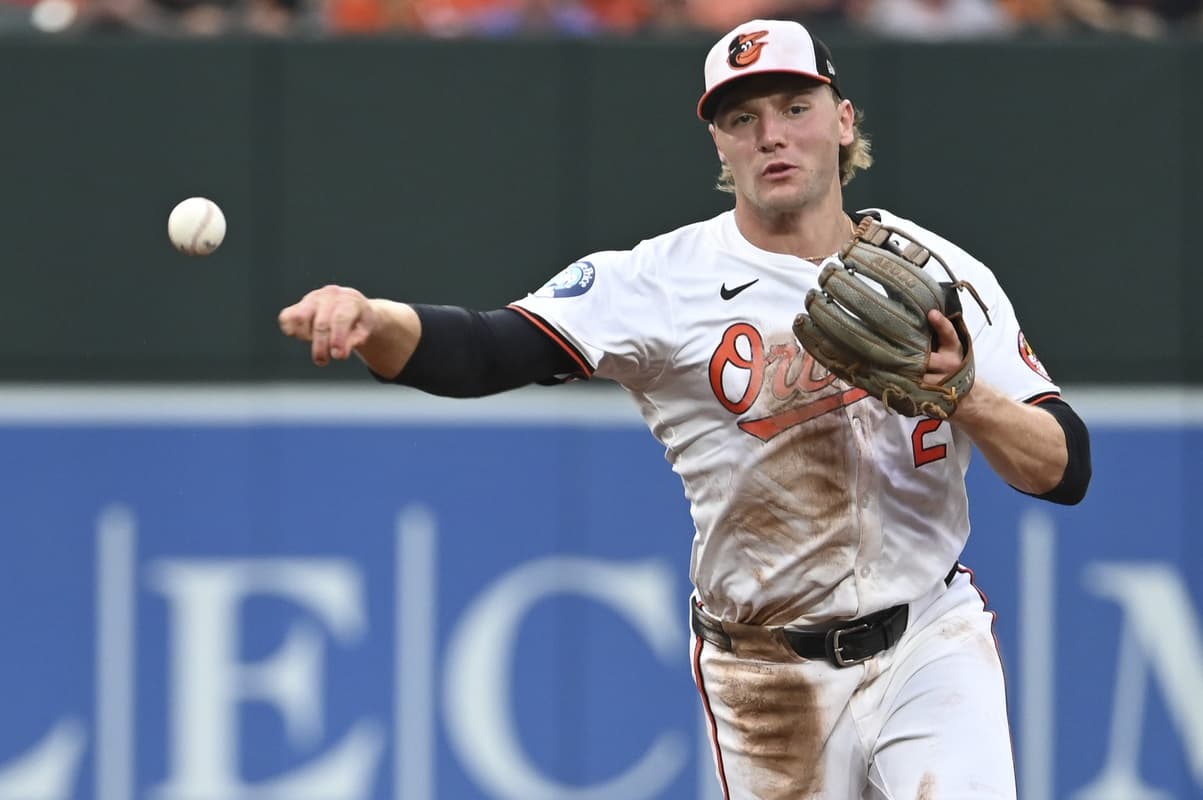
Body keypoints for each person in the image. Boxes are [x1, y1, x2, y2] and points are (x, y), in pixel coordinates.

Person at [278, 18, 1091, 800]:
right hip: (767, 674)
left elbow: (1062, 468)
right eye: (743, 118)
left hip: (928, 637)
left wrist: (963, 396)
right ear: (718, 144)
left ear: (843, 122)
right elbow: (490, 350)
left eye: (794, 108)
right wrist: (377, 321)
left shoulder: (937, 275)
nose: (771, 134)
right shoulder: (662, 283)